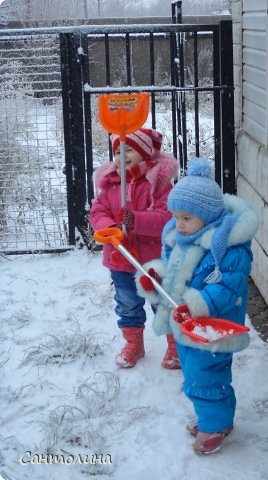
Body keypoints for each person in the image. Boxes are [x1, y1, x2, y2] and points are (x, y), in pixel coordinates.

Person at [136, 157, 259, 454]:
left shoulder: (228, 248)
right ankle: (212, 417)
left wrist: (196, 305)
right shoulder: (182, 240)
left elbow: (226, 288)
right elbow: (173, 273)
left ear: (209, 215)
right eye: (176, 216)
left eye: (186, 218)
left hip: (212, 328)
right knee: (193, 371)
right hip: (187, 324)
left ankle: (216, 424)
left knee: (207, 374)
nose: (178, 223)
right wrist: (156, 279)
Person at [90, 128, 180, 369]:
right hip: (119, 257)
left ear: (144, 153)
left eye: (129, 150)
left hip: (152, 260)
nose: (122, 156)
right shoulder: (110, 183)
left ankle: (175, 346)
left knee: (161, 302)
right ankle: (134, 344)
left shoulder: (158, 184)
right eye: (117, 151)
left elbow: (166, 218)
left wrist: (134, 220)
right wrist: (110, 227)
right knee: (127, 303)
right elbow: (98, 211)